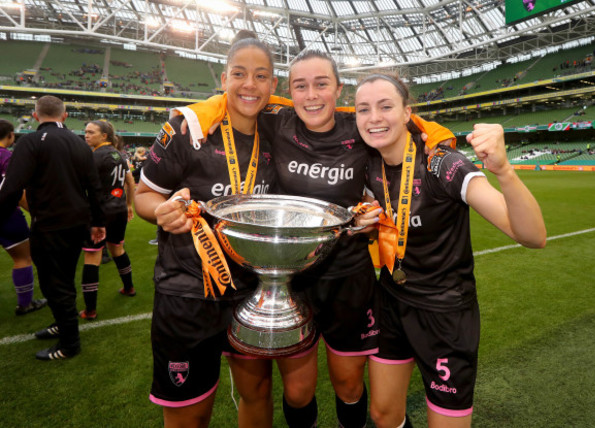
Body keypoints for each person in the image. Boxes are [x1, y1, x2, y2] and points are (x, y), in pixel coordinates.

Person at [176, 49, 454, 428]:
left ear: (339, 89)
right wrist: (204, 108)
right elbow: (246, 99)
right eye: (300, 86)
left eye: (322, 84)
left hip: (347, 279)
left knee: (348, 384)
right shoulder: (279, 123)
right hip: (292, 278)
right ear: (289, 93)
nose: (311, 95)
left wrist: (437, 135)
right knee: (298, 392)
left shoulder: (358, 128)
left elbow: (399, 121)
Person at [352, 73, 546, 428]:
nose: (373, 117)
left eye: (385, 106)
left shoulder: (443, 164)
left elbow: (533, 236)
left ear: (407, 112)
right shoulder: (367, 164)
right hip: (392, 301)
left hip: (445, 314)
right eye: (363, 109)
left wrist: (503, 170)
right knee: (382, 414)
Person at [134, 32, 278, 428]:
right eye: (239, 73)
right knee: (190, 414)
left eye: (261, 76)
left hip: (252, 289)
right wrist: (161, 211)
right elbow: (143, 194)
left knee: (258, 394)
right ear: (223, 78)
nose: (250, 85)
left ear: (273, 84)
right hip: (187, 292)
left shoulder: (277, 134)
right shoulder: (186, 128)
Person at [0, 96, 105, 361]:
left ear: (35, 116)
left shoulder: (31, 142)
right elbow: (94, 187)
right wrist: (98, 222)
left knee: (52, 284)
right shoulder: (80, 144)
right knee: (64, 279)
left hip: (49, 224)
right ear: (65, 116)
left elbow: (12, 187)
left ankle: (70, 343)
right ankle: (63, 323)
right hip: (77, 224)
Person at [78, 120, 136, 320]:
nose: (86, 135)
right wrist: (128, 205)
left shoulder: (94, 157)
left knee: (92, 257)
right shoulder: (120, 155)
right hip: (118, 210)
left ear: (104, 136)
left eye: (91, 132)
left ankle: (90, 310)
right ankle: (129, 288)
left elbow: (83, 186)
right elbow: (130, 181)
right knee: (118, 249)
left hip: (99, 213)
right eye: (85, 132)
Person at [0, 119, 47, 316]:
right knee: (23, 258)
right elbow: (15, 190)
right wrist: (35, 213)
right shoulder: (6, 157)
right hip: (6, 216)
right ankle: (25, 304)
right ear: (10, 136)